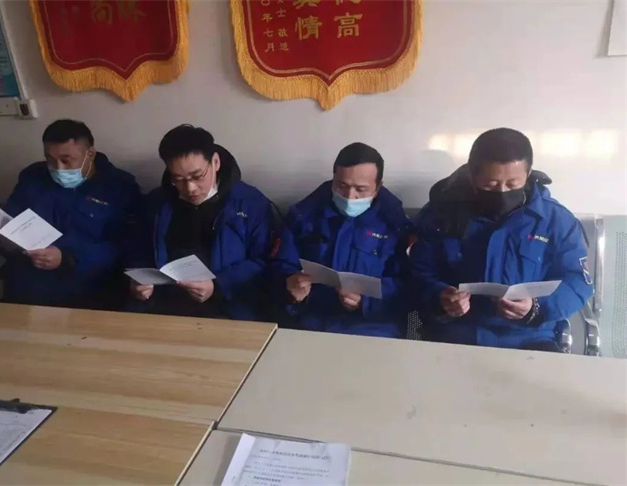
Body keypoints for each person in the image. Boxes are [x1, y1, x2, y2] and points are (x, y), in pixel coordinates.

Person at [409, 128, 593, 351]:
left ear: (528, 174)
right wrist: (440, 297)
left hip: (530, 337)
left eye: (513, 184)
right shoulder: (441, 215)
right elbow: (417, 273)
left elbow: (577, 282)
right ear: (473, 175)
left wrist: (536, 307)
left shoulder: (556, 221)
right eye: (491, 184)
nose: (502, 191)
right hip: (457, 334)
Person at [128, 125, 274, 320]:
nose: (190, 188)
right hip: (163, 307)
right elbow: (138, 250)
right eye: (178, 179)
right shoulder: (157, 203)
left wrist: (217, 285)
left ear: (215, 162)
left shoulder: (250, 203)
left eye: (197, 176)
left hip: (227, 309)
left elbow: (263, 260)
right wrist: (138, 281)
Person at [0, 119, 142, 308]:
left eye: (66, 160)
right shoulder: (32, 177)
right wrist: (6, 240)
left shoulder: (120, 186)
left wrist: (68, 258)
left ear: (90, 154)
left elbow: (127, 245)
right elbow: (11, 220)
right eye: (50, 159)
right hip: (30, 283)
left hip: (90, 288)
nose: (58, 168)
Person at [271, 143, 413, 338]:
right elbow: (280, 265)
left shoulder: (395, 225)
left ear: (378, 187)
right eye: (342, 186)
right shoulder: (304, 215)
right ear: (333, 179)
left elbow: (408, 284)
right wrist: (290, 286)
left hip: (373, 329)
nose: (349, 196)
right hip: (310, 324)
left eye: (361, 189)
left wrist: (366, 302)